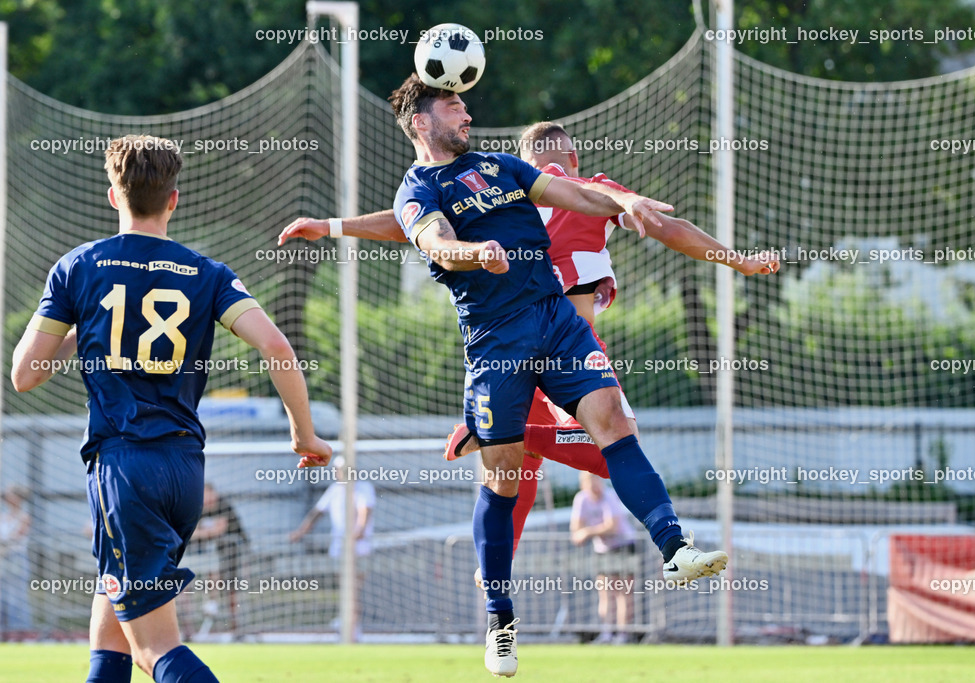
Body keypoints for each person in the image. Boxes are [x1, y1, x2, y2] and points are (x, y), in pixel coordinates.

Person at [278, 121, 779, 563]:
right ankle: (651, 538)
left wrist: (332, 226)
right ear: (573, 161)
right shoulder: (588, 190)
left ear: (523, 164)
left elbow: (410, 224)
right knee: (615, 445)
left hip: (502, 341)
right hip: (563, 337)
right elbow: (665, 226)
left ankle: (494, 572)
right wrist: (736, 259)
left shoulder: (496, 193)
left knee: (512, 467)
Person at [10, 135, 332, 683]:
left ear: (113, 196)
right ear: (174, 199)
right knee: (111, 630)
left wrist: (80, 328)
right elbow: (277, 348)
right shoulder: (207, 272)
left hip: (123, 468)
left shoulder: (79, 267)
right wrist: (304, 435)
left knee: (154, 649)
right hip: (184, 473)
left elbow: (25, 375)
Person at [289, 457, 375, 638]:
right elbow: (317, 513)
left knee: (352, 589)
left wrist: (357, 533)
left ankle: (352, 628)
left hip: (358, 549)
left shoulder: (363, 488)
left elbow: (364, 513)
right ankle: (348, 623)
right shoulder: (335, 490)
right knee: (346, 589)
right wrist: (301, 532)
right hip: (339, 549)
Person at [570, 472, 636, 645]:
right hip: (602, 549)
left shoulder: (609, 496)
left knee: (623, 592)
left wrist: (588, 532)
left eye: (596, 481)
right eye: (589, 482)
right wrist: (584, 532)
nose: (594, 486)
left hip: (623, 546)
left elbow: (612, 526)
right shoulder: (581, 499)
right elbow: (576, 528)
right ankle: (606, 633)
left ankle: (623, 634)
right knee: (605, 592)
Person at [189, 483, 248, 634]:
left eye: (207, 494)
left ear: (213, 493)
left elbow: (219, 529)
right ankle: (205, 610)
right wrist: (205, 532)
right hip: (208, 555)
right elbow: (191, 532)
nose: (205, 498)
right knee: (205, 575)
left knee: (231, 588)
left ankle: (235, 625)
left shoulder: (224, 506)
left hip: (232, 553)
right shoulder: (197, 508)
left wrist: (204, 532)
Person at [0, 486, 33, 637]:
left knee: (17, 595)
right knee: (3, 594)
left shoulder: (24, 516)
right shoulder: (3, 516)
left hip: (15, 557)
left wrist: (4, 549)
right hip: (2, 558)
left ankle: (19, 630)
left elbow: (17, 536)